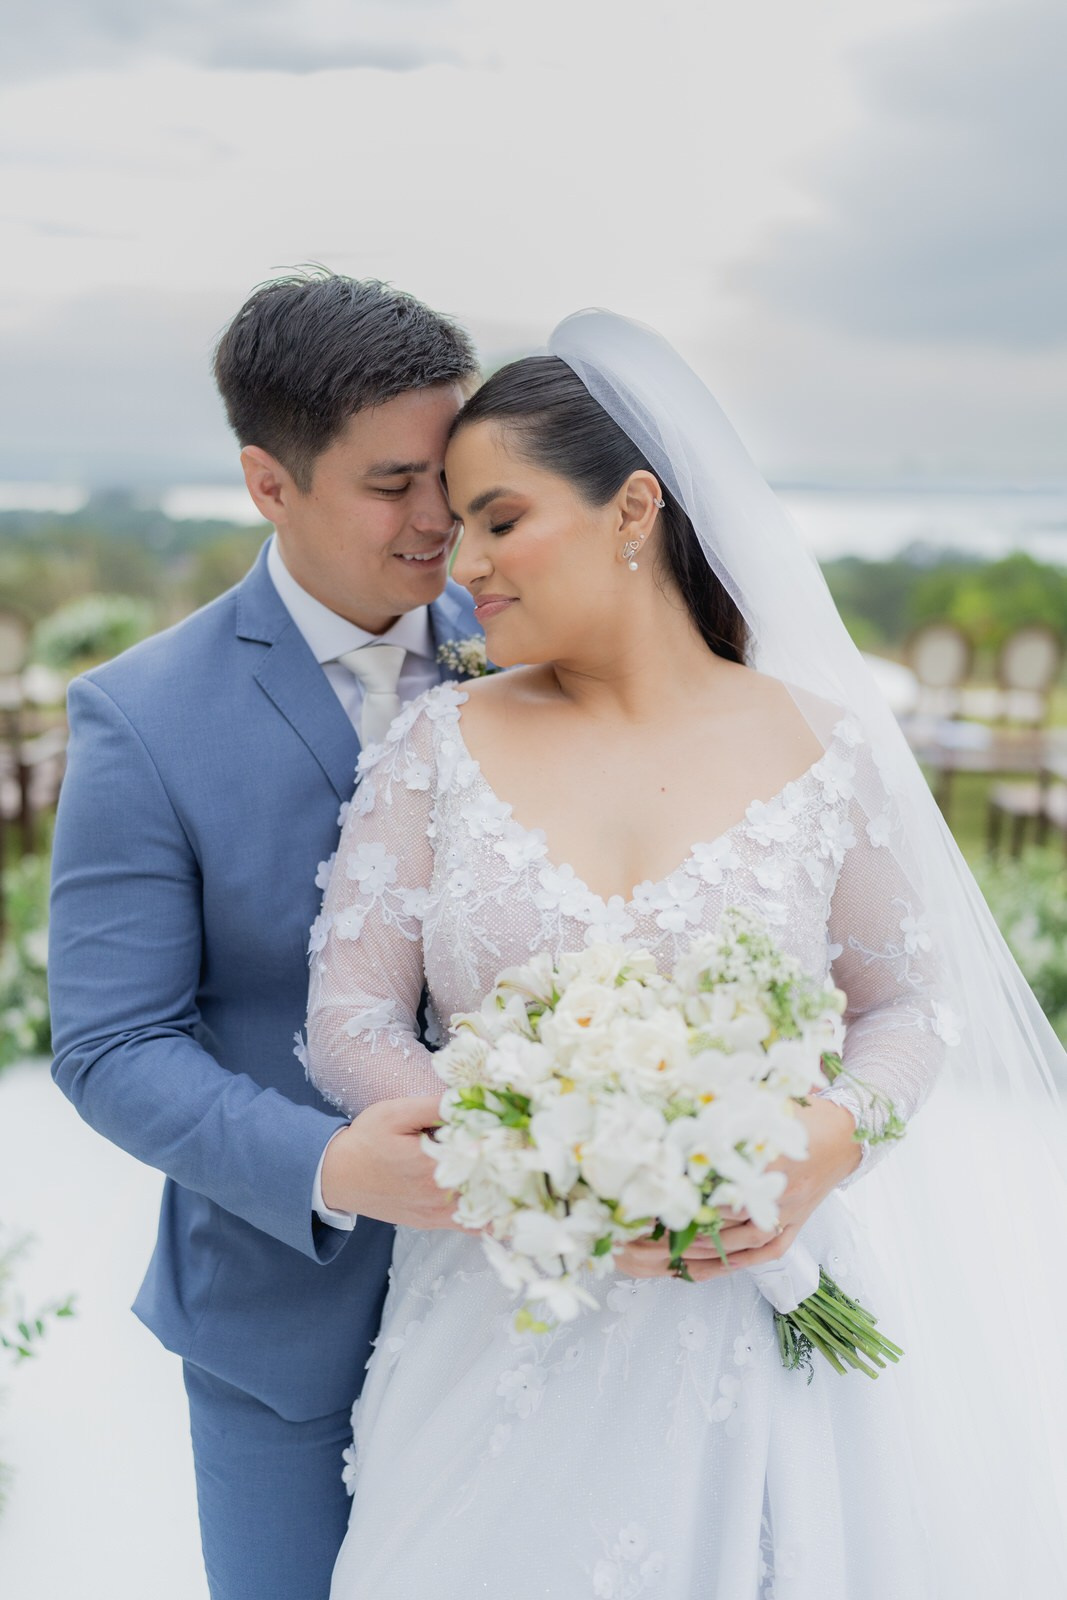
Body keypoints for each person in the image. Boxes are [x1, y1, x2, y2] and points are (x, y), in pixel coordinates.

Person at [305, 311, 1067, 1598]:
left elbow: (908, 1005)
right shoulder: (433, 745)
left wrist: (827, 1138)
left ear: (631, 510)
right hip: (497, 1317)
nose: (462, 565)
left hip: (748, 1316)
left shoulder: (822, 749)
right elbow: (353, 1015)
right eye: (456, 527)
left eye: (498, 518)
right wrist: (518, 1147)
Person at [48, 271, 481, 1600]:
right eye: (391, 483)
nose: (439, 521)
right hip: (283, 1322)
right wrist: (331, 1166)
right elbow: (112, 1044)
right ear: (266, 480)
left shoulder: (539, 647)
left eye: (451, 475)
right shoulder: (141, 717)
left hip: (538, 1315)